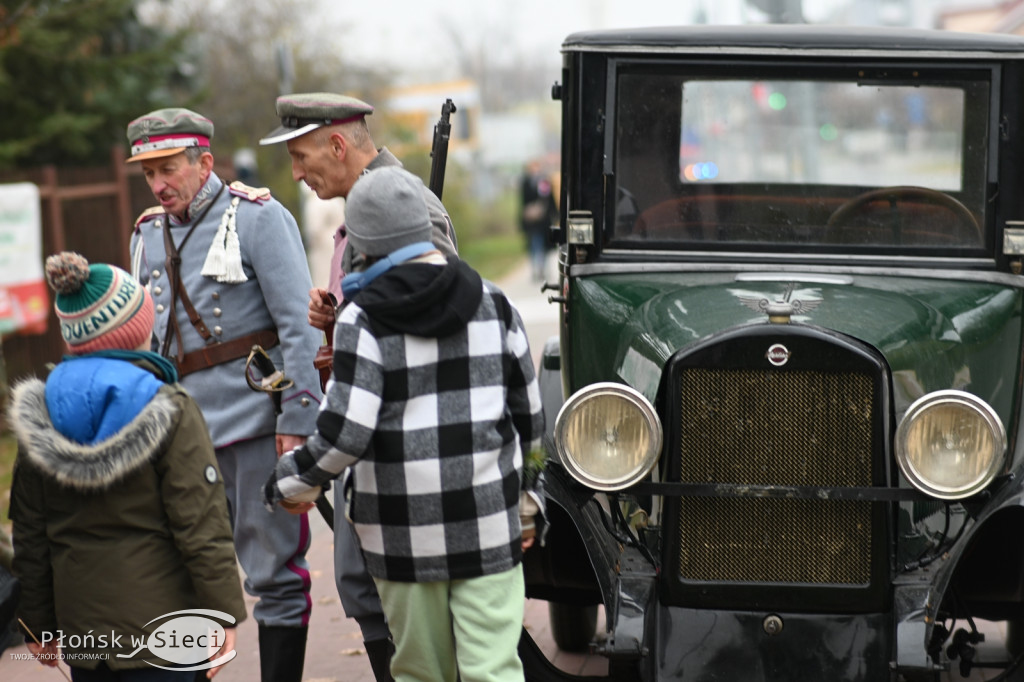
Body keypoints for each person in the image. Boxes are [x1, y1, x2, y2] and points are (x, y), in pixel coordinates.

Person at [263, 166, 544, 682]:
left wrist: (288, 480)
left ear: (362, 242)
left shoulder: (361, 319)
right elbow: (529, 418)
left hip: (399, 534)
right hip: (486, 522)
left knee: (420, 671)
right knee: (495, 668)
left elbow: (345, 433)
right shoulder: (494, 303)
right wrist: (529, 501)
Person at [258, 91, 458, 681]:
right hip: (372, 425)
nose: (297, 172)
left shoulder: (392, 203)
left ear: (338, 144)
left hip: (390, 434)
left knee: (381, 593)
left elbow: (435, 311)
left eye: (301, 156)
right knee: (365, 586)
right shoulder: (368, 200)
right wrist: (338, 320)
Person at [125, 108, 323, 682]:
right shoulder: (145, 233)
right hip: (177, 434)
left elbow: (298, 327)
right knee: (184, 573)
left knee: (273, 574)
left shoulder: (258, 218)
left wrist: (298, 419)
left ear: (204, 162)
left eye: (167, 169)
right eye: (148, 174)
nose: (158, 184)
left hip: (253, 423)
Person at [7, 252, 246, 681]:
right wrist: (222, 614)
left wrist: (37, 624)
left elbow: (31, 533)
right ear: (135, 329)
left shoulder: (39, 415)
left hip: (86, 641)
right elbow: (200, 523)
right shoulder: (169, 408)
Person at [519, 159, 558, 281]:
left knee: (544, 246)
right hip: (531, 221)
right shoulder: (526, 182)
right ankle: (536, 269)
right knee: (534, 245)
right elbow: (523, 202)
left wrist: (554, 214)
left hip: (543, 220)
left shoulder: (544, 182)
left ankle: (542, 269)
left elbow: (548, 199)